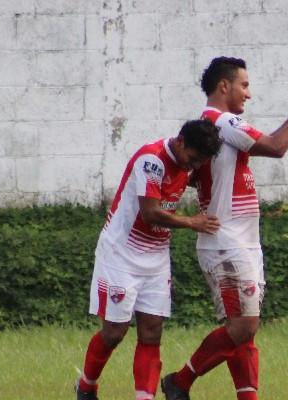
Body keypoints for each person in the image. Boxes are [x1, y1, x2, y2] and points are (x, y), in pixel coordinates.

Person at [161, 57, 288, 400]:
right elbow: (276, 147)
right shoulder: (222, 121)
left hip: (241, 240)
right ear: (224, 86)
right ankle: (180, 382)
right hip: (225, 240)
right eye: (244, 85)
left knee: (243, 329)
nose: (249, 93)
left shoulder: (208, 126)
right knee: (244, 326)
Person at [75, 119, 223, 400]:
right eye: (192, 159)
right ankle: (86, 386)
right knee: (114, 333)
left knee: (152, 332)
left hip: (156, 258)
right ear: (181, 142)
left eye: (199, 163)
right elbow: (150, 213)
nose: (193, 167)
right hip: (121, 255)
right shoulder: (151, 160)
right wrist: (193, 222)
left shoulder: (187, 163)